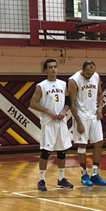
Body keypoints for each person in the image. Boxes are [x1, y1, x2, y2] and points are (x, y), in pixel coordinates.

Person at [29, 58, 73, 191]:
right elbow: (33, 104)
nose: (53, 69)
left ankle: (61, 179)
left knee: (62, 151)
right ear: (45, 70)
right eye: (50, 67)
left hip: (61, 122)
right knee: (46, 152)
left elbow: (68, 101)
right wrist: (48, 111)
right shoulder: (41, 86)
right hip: (48, 123)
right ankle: (41, 180)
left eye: (55, 66)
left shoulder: (63, 84)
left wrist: (64, 111)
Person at [68, 60, 106, 186]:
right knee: (82, 145)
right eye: (88, 73)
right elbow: (72, 103)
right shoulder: (74, 80)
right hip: (81, 115)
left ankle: (95, 174)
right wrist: (78, 122)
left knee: (99, 142)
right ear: (83, 70)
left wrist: (100, 108)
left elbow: (100, 95)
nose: (90, 75)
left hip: (94, 114)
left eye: (92, 73)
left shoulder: (96, 76)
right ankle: (84, 174)